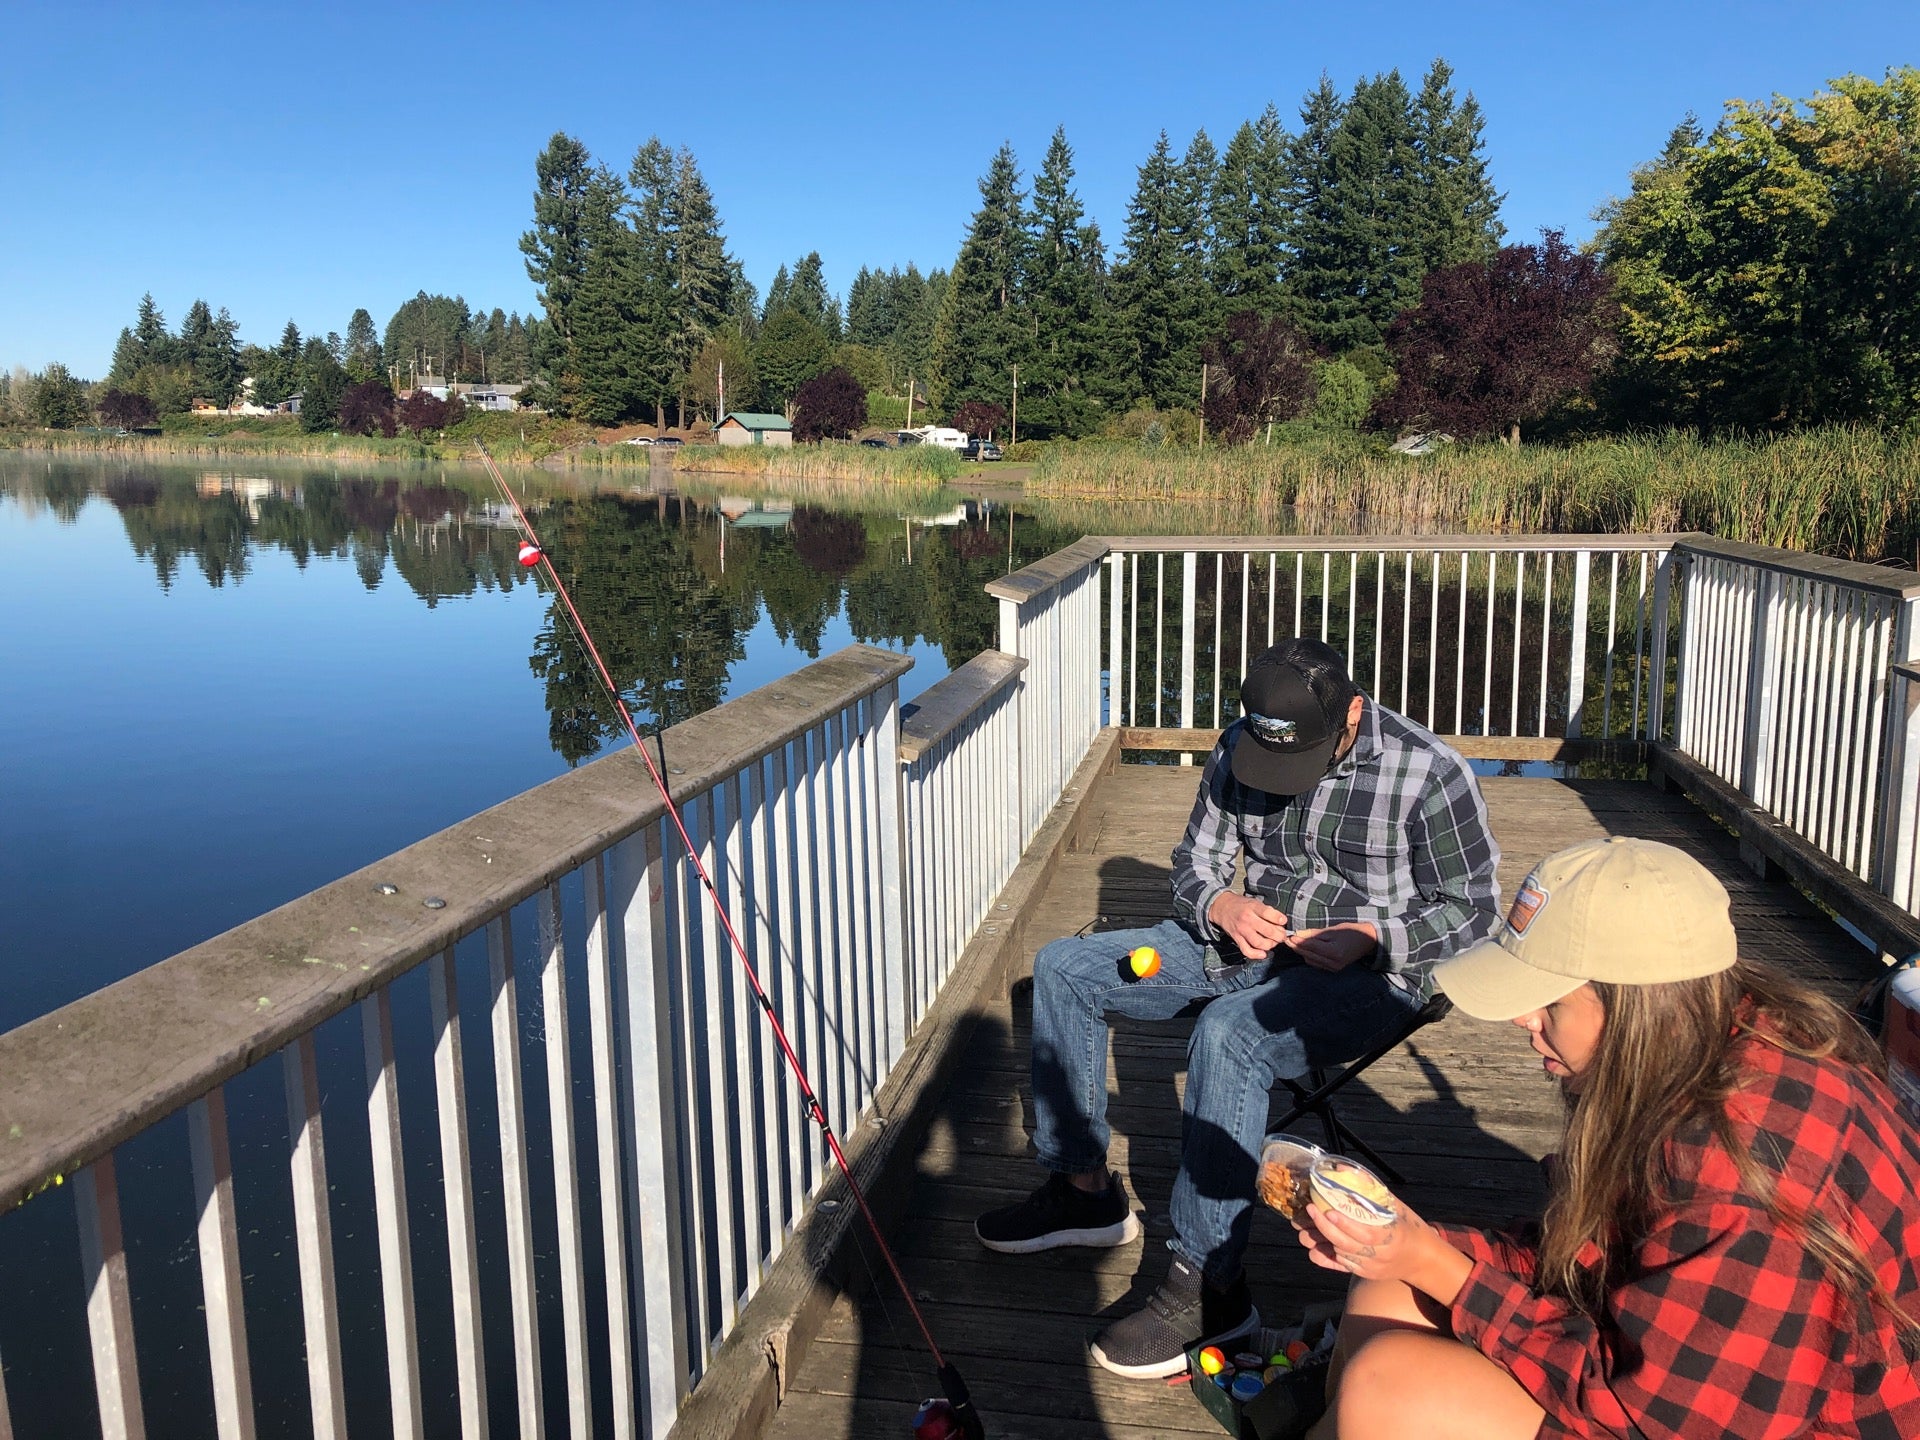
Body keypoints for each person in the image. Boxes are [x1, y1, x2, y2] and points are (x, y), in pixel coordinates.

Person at [973, 636, 1502, 1379]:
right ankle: (1082, 1191)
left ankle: (1211, 1287)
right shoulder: (1242, 744)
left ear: (1352, 714)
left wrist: (1370, 937)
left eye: (1302, 759)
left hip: (1371, 977)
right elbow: (1194, 864)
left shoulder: (1430, 772)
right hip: (1240, 943)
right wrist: (1221, 902)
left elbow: (1475, 916)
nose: (1282, 777)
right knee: (1065, 967)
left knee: (1232, 1035)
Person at [1295, 837, 1920, 1440]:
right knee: (1387, 1285)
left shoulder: (1745, 1163)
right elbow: (1602, 1254)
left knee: (1389, 1387)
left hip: (1747, 1417)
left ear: (1637, 1007)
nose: (1521, 1018)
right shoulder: (1714, 1034)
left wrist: (1444, 1270)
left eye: (1548, 1002)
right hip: (1681, 1369)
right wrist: (1413, 1247)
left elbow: (1658, 1413)